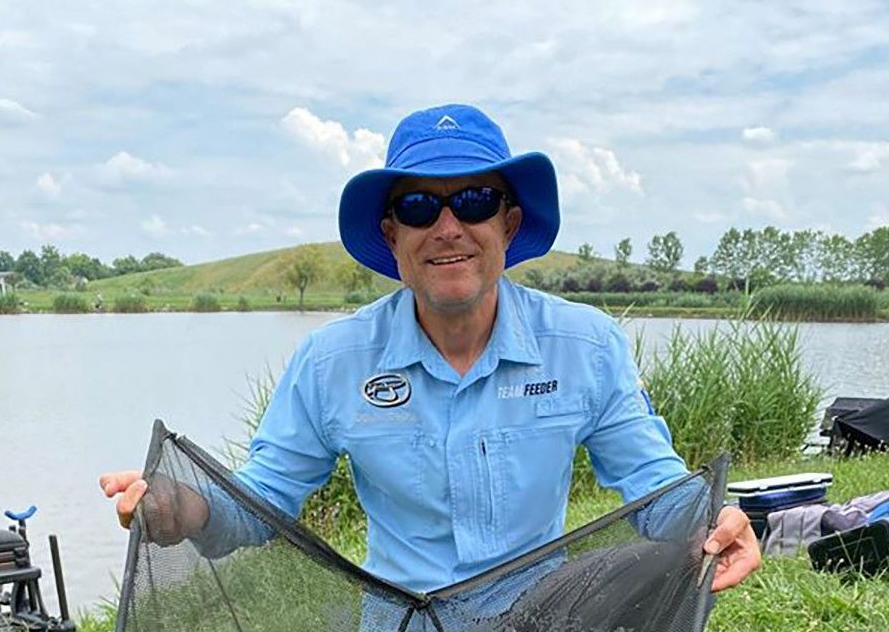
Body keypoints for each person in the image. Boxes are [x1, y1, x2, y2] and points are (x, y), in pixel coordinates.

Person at [100, 102, 759, 596]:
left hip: (543, 617)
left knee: (666, 561)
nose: (448, 228)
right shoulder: (332, 362)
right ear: (392, 235)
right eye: (419, 206)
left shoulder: (585, 345)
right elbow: (261, 502)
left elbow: (656, 485)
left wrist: (717, 517)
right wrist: (178, 504)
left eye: (474, 200)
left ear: (509, 223)